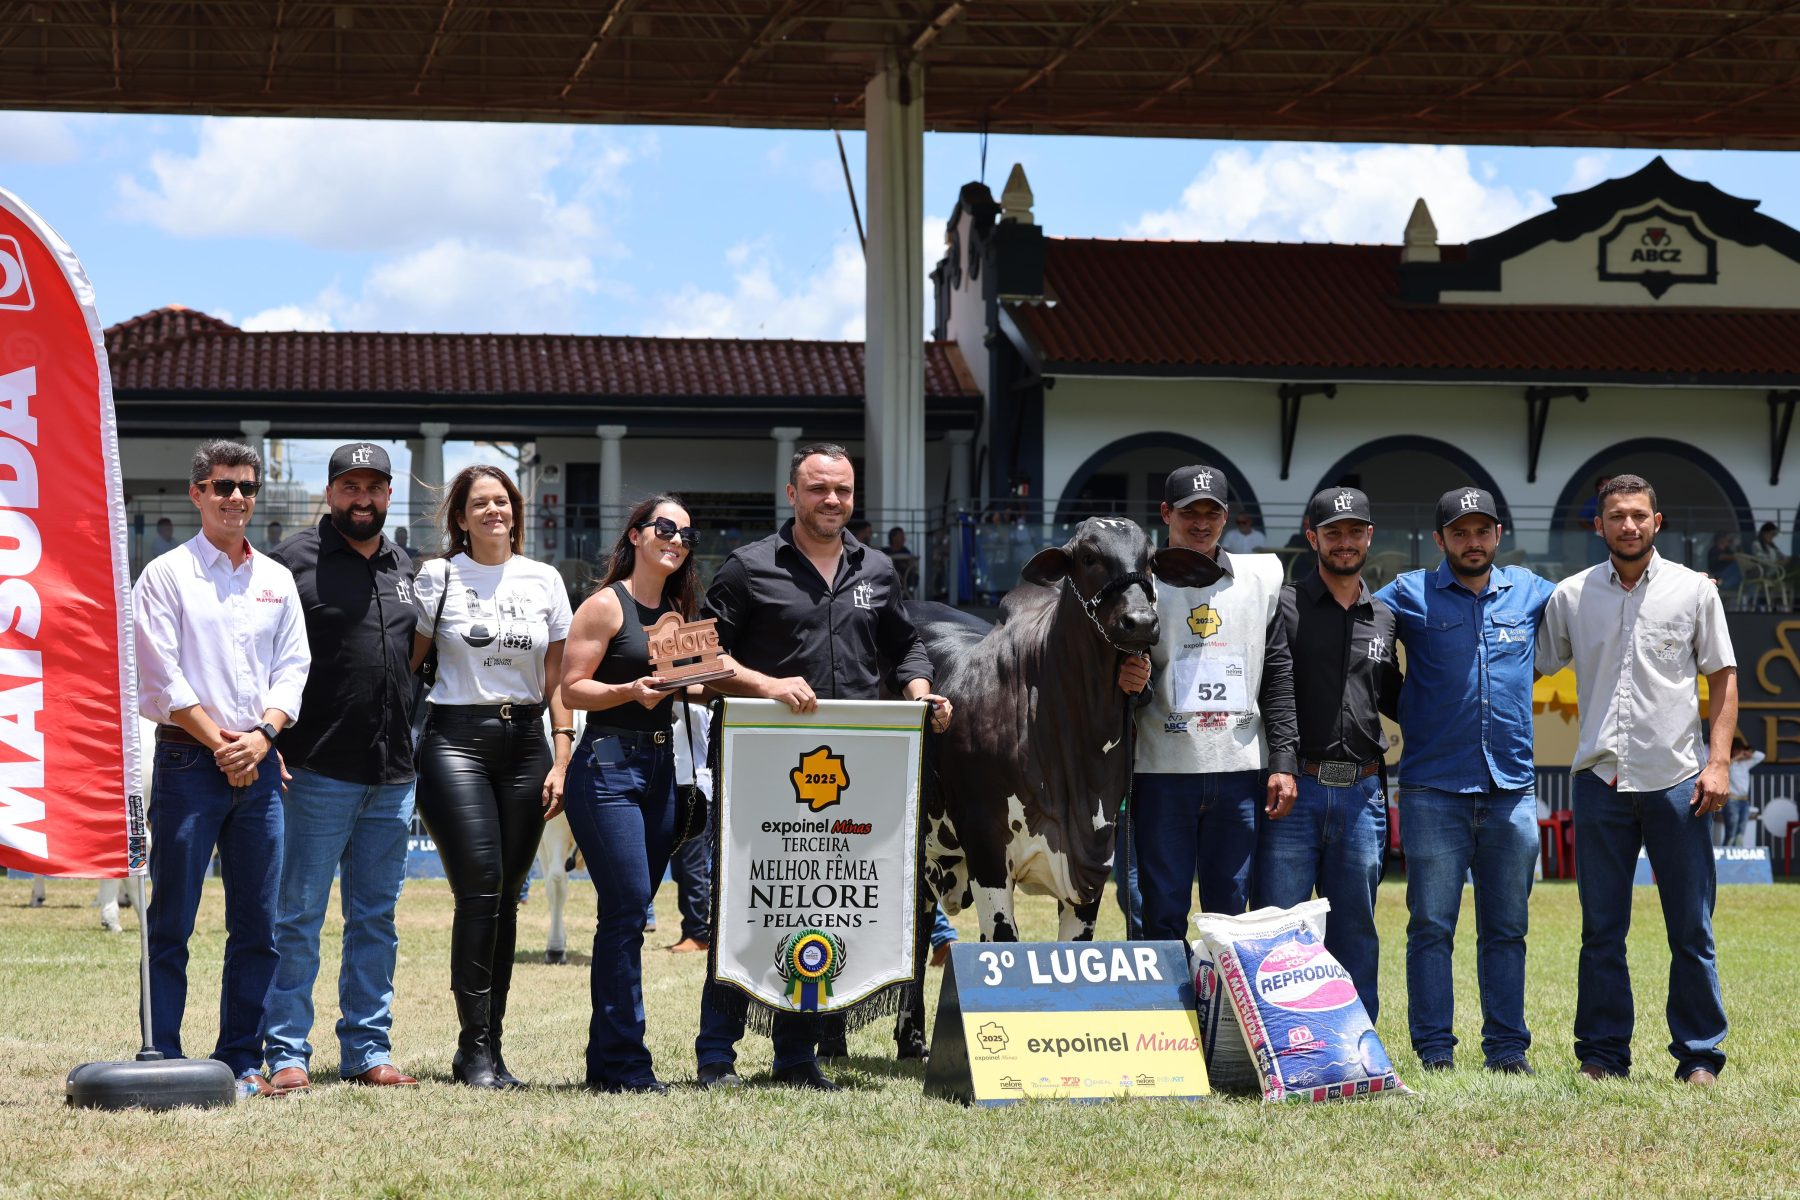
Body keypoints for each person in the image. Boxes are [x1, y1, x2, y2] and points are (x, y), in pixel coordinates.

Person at [696, 443, 952, 1091]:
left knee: (820, 908)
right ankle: (716, 1056)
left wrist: (922, 696)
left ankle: (796, 1058)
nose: (831, 500)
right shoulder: (747, 569)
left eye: (841, 489)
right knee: (747, 910)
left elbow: (906, 647)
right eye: (817, 489)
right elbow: (700, 661)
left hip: (854, 778)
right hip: (762, 775)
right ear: (792, 494)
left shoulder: (881, 571)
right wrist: (767, 684)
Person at [1537, 473, 1737, 1085]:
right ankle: (1602, 1055)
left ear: (1657, 521)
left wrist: (1720, 762)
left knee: (1691, 928)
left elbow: (1724, 678)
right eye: (1616, 516)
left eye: (1639, 515)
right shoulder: (1570, 596)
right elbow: (1536, 662)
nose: (1628, 525)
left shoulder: (1694, 592)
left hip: (1678, 781)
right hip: (1600, 783)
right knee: (1601, 930)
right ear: (1598, 526)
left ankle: (1699, 1054)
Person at [132, 440, 309, 1098]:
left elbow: (294, 669)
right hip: (187, 763)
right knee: (171, 920)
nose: (236, 497)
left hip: (260, 767)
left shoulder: (276, 581)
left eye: (246, 486)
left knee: (258, 927)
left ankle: (241, 1061)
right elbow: (161, 678)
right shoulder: (165, 577)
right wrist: (221, 745)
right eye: (222, 485)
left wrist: (261, 738)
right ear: (197, 494)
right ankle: (160, 1056)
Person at [262, 443, 422, 1093]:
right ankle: (286, 1052)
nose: (363, 498)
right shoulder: (288, 565)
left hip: (393, 776)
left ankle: (366, 1050)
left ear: (389, 494)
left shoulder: (408, 565)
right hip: (315, 769)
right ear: (329, 494)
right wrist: (267, 739)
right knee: (297, 915)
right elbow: (259, 658)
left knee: (375, 920)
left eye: (375, 487)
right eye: (350, 486)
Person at [1376, 487, 1552, 1075]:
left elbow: (1604, 598)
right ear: (1440, 540)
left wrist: (1682, 584)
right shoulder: (1407, 594)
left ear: (1498, 534)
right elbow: (1348, 616)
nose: (1471, 542)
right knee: (1431, 926)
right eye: (1459, 532)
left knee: (1507, 928)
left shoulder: (1531, 591)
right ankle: (1434, 1052)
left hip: (1511, 792)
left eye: (1482, 531)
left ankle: (1506, 1050)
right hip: (1433, 790)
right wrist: (1410, 707)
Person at [410, 466, 573, 1089]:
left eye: (502, 501)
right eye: (480, 503)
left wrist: (561, 755)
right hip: (456, 742)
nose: (493, 512)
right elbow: (412, 664)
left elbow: (555, 679)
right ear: (460, 516)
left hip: (527, 744)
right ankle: (473, 1049)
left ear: (516, 511)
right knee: (478, 891)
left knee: (507, 894)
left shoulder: (545, 579)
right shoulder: (438, 577)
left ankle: (490, 1048)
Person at [1116, 465, 1297, 937]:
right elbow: (1109, 676)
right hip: (1160, 773)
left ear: (1226, 516)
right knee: (1161, 913)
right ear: (1165, 513)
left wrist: (1281, 759)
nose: (1201, 522)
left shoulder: (1262, 578)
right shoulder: (1138, 586)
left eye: (1211, 513)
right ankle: (1164, 1012)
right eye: (1188, 512)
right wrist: (1130, 681)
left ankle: (1224, 1012)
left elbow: (1277, 676)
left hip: (1239, 773)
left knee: (1232, 919)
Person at [558, 494, 697, 1093]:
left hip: (664, 767)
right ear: (637, 535)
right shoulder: (604, 605)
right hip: (609, 764)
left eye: (686, 534)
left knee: (628, 914)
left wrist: (742, 685)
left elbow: (697, 681)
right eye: (665, 527)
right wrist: (631, 690)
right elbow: (572, 690)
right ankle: (627, 1066)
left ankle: (606, 1064)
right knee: (629, 909)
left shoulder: (676, 613)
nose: (676, 539)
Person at [1252, 486, 1401, 1021]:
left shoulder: (1383, 616)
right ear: (1312, 537)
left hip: (1362, 793)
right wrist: (1284, 766)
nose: (1344, 542)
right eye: (1332, 532)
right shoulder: (1285, 607)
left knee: (1356, 927)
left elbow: (1392, 694)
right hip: (1297, 790)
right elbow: (1276, 694)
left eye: (1354, 531)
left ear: (1369, 536)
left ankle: (1358, 1045)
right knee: (1280, 927)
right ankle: (1283, 1039)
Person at [1721, 735, 1764, 849]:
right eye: (1737, 749)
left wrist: (1749, 753)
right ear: (1732, 750)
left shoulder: (1745, 763)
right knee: (1731, 834)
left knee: (1740, 833)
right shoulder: (1729, 763)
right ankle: (1724, 863)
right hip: (1731, 801)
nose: (1740, 751)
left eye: (1741, 749)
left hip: (1744, 801)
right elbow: (1724, 767)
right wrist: (1738, 757)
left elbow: (1761, 756)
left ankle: (1737, 862)